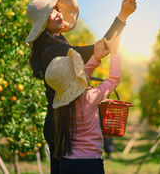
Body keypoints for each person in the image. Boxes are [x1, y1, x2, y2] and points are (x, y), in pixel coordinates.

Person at [26, 0, 136, 173]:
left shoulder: (55, 44)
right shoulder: (53, 50)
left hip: (60, 123)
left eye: (56, 9)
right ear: (42, 24)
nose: (57, 14)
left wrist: (97, 58)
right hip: (64, 127)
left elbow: (84, 70)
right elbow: (99, 50)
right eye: (50, 13)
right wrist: (122, 17)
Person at [44, 34, 122, 174]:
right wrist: (114, 53)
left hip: (66, 164)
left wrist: (96, 59)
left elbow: (81, 78)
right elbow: (114, 79)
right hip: (90, 163)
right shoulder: (90, 97)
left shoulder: (61, 106)